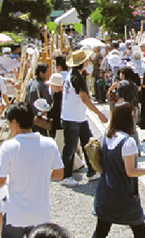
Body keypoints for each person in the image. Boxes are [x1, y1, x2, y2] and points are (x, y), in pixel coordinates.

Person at [93, 102, 145, 238]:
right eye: (133, 116)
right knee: (140, 231)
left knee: (101, 231)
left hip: (105, 192)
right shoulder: (128, 142)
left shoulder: (106, 136)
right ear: (127, 119)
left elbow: (101, 166)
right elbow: (131, 171)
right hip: (125, 195)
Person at [0, 102, 64, 237]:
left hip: (15, 213)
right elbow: (59, 174)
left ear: (14, 123)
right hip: (41, 213)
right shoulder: (49, 143)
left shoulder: (8, 147)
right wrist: (40, 174)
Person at [61, 49, 108, 187]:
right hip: (72, 117)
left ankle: (92, 170)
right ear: (83, 62)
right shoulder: (77, 77)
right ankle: (66, 175)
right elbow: (84, 98)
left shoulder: (75, 74)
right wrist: (99, 113)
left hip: (77, 116)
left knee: (88, 142)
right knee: (70, 147)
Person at [26, 63, 53, 136]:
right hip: (39, 117)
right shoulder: (41, 85)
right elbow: (48, 101)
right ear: (41, 73)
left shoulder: (30, 82)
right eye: (47, 72)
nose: (48, 74)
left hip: (29, 116)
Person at [46, 73, 64, 140]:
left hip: (58, 126)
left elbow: (57, 112)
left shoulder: (59, 97)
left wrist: (48, 113)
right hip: (58, 125)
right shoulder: (57, 95)